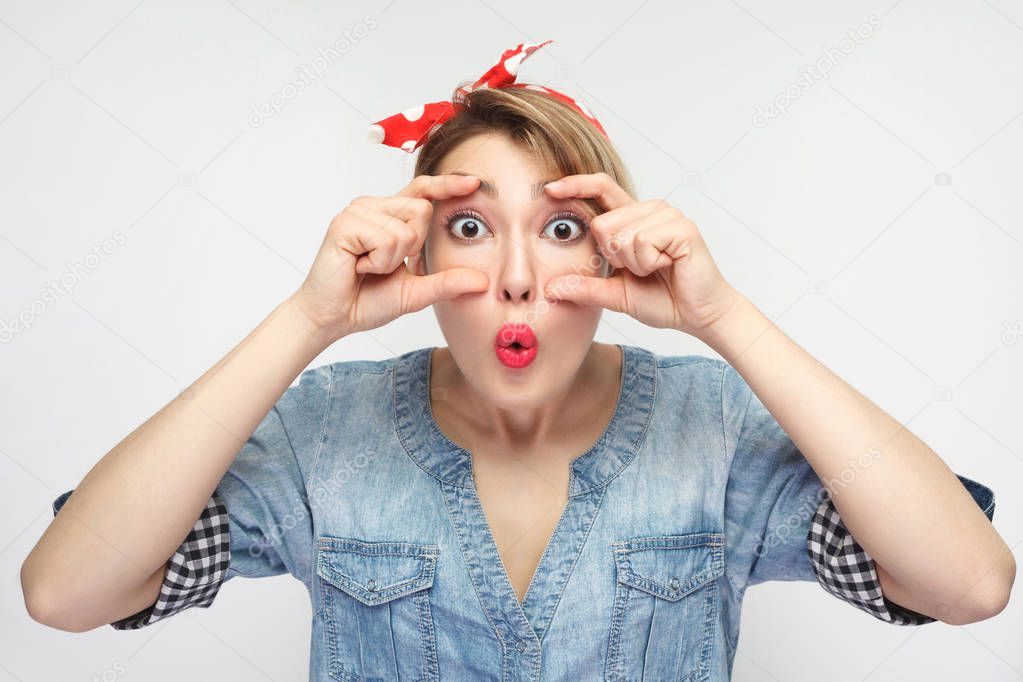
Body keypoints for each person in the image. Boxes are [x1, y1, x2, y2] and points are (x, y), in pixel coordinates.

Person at [22, 40, 1012, 681]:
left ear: (618, 250)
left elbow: (967, 582)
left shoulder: (714, 425)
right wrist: (304, 322)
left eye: (563, 228)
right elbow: (66, 592)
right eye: (468, 224)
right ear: (417, 256)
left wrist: (726, 319)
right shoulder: (326, 426)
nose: (516, 274)